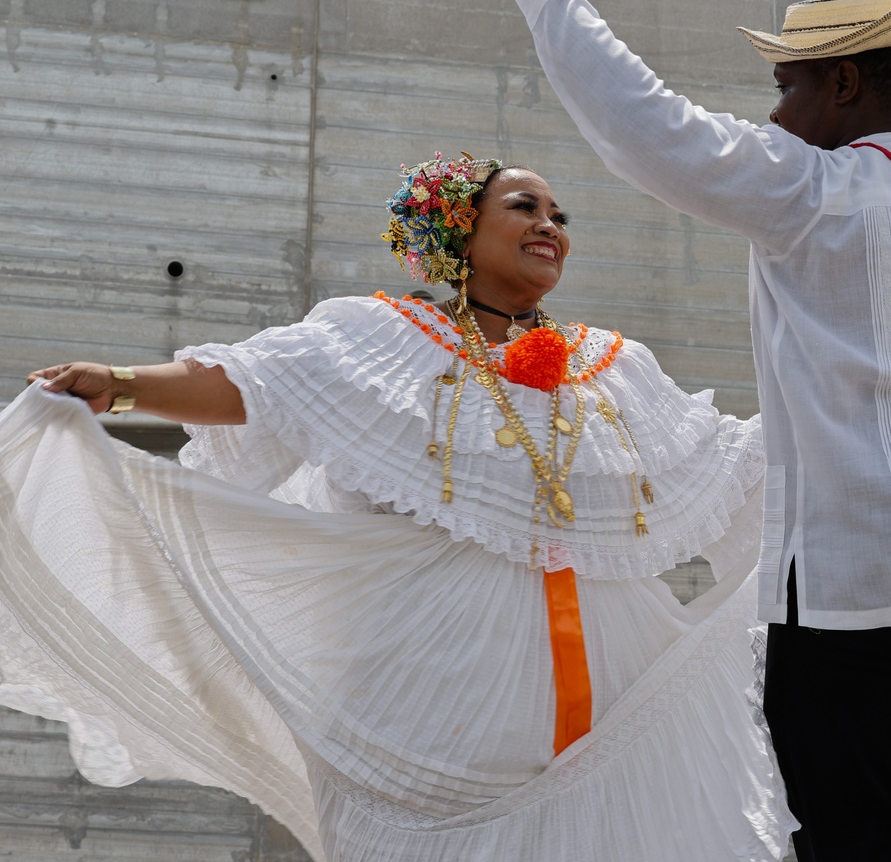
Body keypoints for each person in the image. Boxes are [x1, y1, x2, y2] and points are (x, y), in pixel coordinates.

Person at [0, 153, 793, 862]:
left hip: (609, 696)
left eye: (559, 215)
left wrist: (836, 405)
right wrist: (123, 384)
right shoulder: (379, 337)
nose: (549, 224)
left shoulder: (616, 368)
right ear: (460, 228)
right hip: (427, 698)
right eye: (524, 207)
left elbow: (725, 460)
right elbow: (253, 386)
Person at [496, 0, 891, 861]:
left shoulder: (800, 190)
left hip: (851, 601)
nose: (777, 109)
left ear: (845, 83)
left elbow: (635, 114)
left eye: (792, 84)